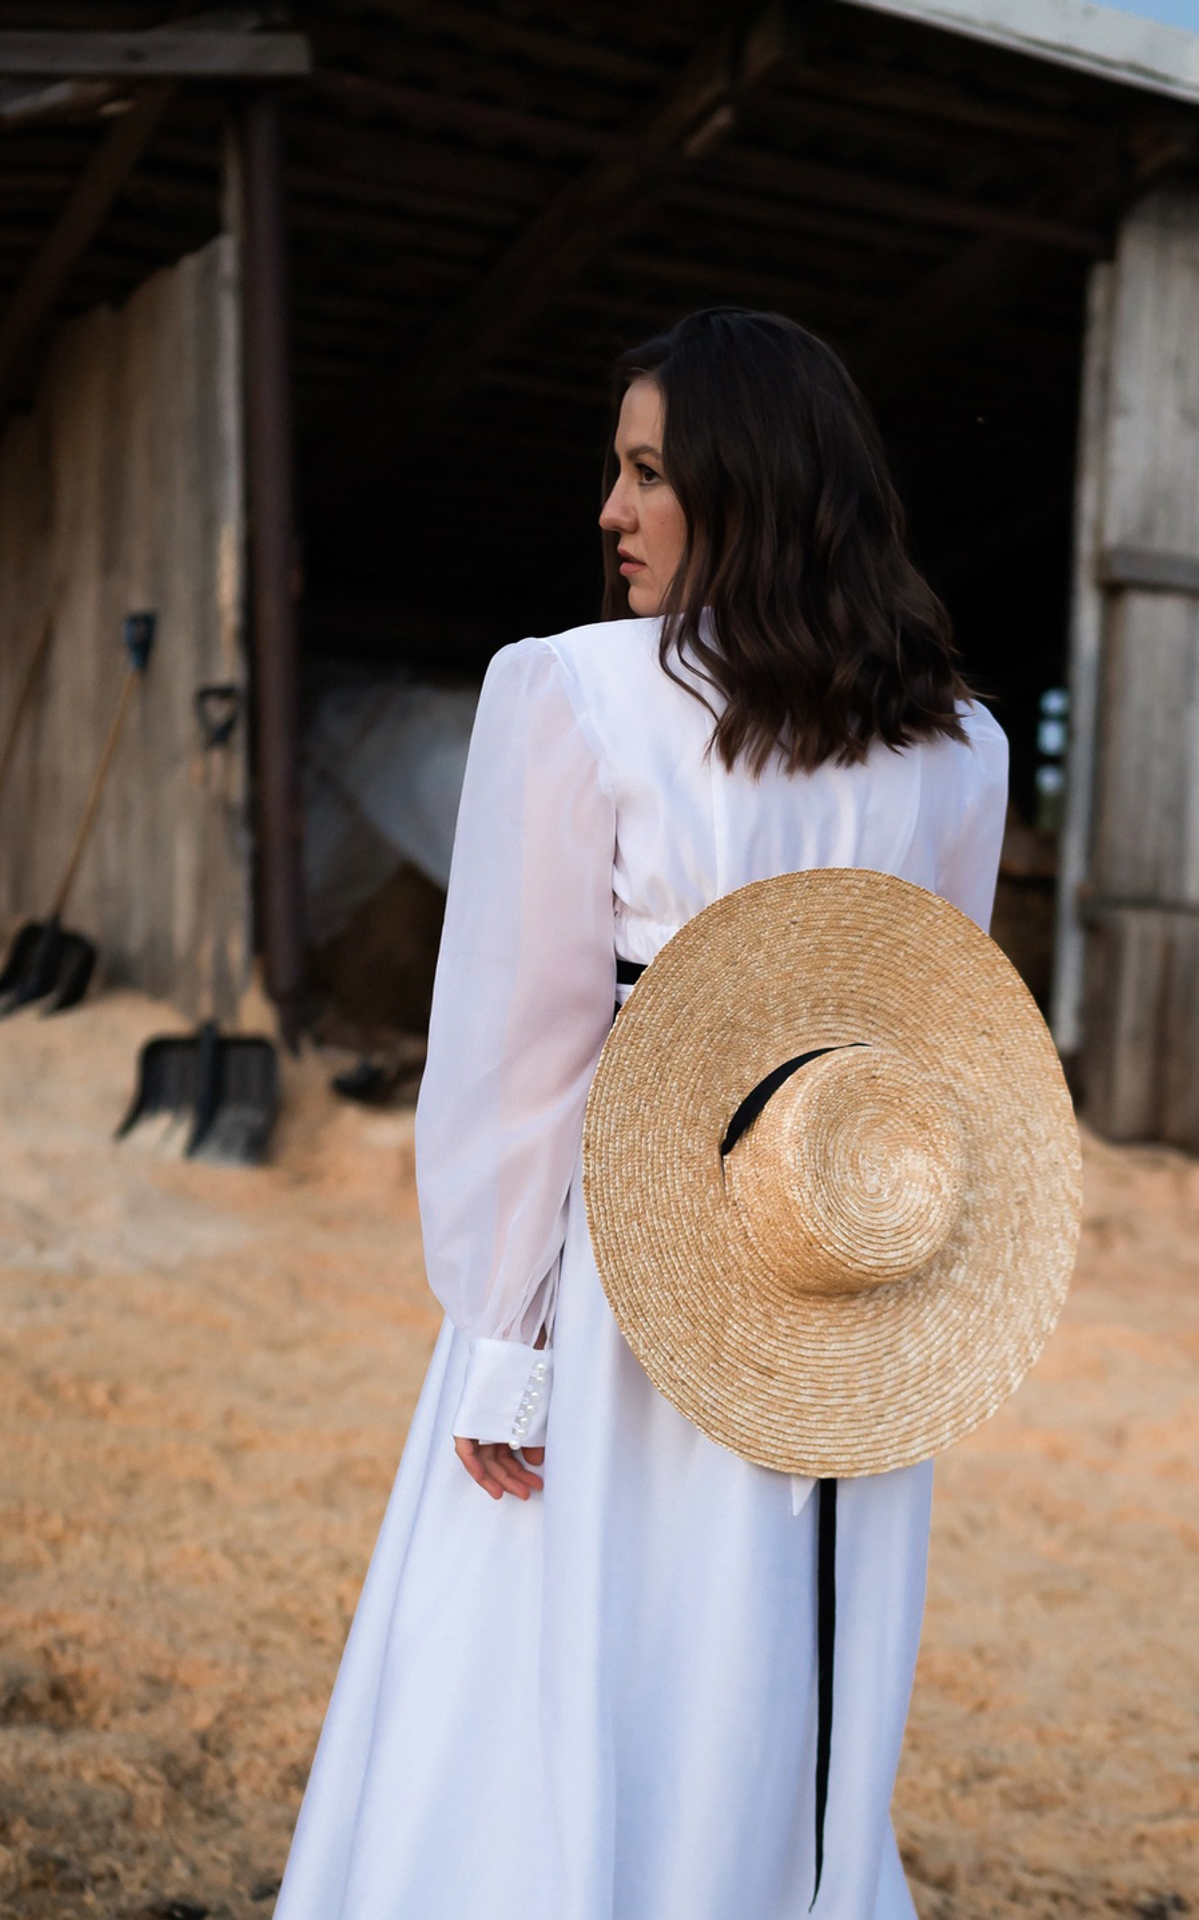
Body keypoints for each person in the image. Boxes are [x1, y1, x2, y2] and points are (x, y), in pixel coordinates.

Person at [273, 309, 1009, 1920]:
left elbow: (515, 1053)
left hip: (634, 1262)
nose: (610, 510)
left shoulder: (572, 693)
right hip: (844, 1283)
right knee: (782, 1665)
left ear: (749, 489)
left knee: (553, 1651)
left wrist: (503, 1345)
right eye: (619, 470)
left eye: (648, 470)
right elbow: (949, 1058)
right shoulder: (965, 748)